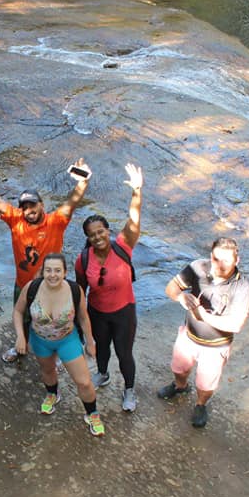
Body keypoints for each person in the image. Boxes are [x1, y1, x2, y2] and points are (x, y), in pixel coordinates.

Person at [0, 154, 91, 363]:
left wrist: (83, 181)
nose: (29, 210)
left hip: (51, 286)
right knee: (23, 317)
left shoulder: (56, 221)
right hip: (23, 284)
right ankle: (19, 345)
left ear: (42, 205)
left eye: (33, 205)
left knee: (53, 323)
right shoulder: (15, 220)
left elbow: (72, 201)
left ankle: (55, 355)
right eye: (25, 207)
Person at [158, 237, 249, 428]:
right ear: (211, 256)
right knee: (179, 368)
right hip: (189, 336)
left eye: (227, 260)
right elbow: (170, 288)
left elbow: (236, 325)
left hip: (215, 346)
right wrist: (181, 297)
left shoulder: (243, 287)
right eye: (217, 259)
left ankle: (201, 404)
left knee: (205, 384)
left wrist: (203, 316)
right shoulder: (198, 268)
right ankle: (180, 386)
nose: (220, 265)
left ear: (237, 260)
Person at [75, 162, 143, 412]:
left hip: (124, 311)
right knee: (101, 349)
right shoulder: (83, 259)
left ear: (108, 231)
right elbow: (80, 290)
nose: (97, 237)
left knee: (124, 354)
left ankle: (129, 390)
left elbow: (134, 220)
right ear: (88, 238)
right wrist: (80, 320)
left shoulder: (123, 246)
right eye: (92, 234)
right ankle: (102, 374)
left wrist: (137, 191)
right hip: (97, 312)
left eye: (101, 232)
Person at [13, 254, 104, 436]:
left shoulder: (74, 290)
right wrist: (20, 337)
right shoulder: (32, 288)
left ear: (65, 272)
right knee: (47, 370)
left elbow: (83, 317)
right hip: (40, 341)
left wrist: (90, 342)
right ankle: (53, 394)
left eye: (57, 270)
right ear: (42, 272)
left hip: (67, 340)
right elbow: (17, 311)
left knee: (84, 382)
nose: (52, 275)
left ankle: (92, 413)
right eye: (48, 270)